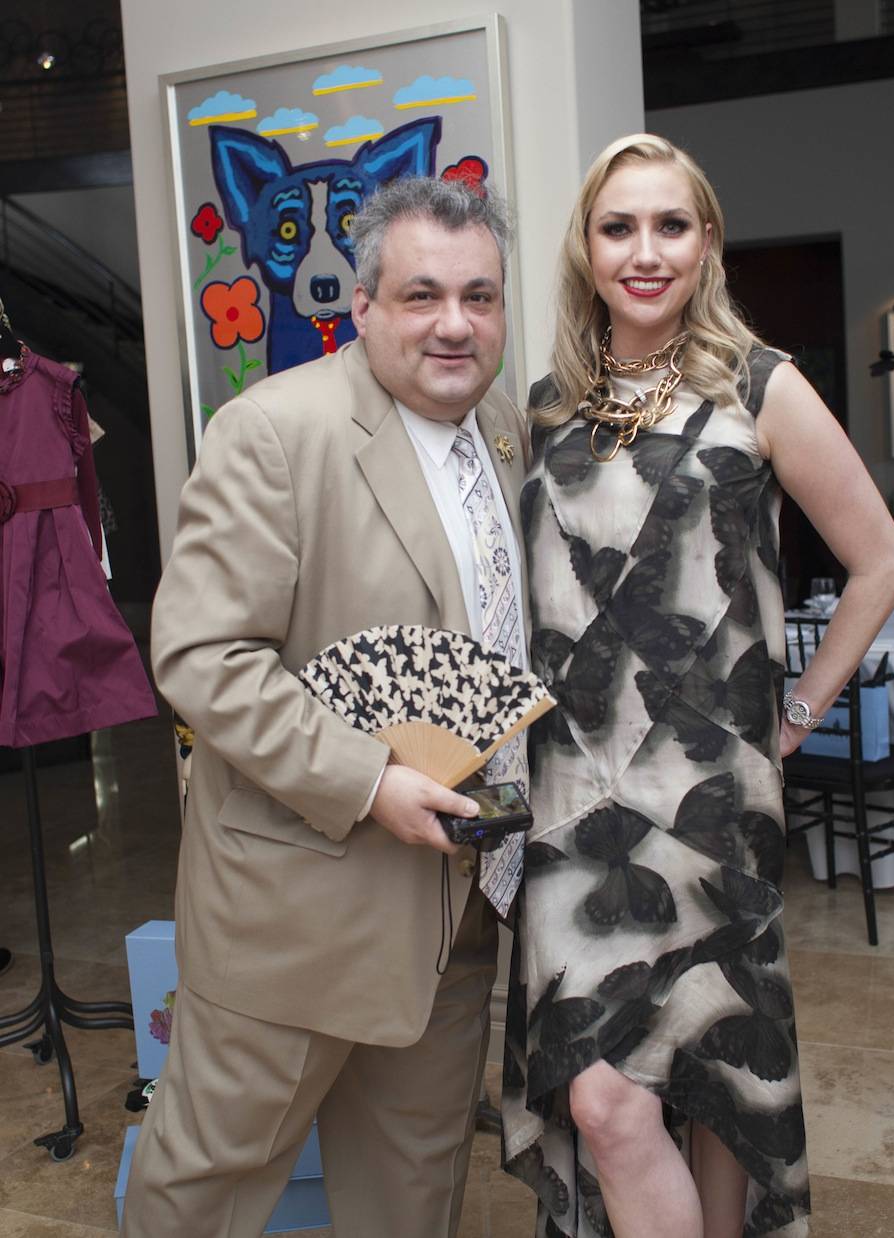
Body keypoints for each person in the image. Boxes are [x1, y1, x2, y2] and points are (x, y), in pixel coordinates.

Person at [501, 134, 894, 1238]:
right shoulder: (545, 408)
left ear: (706, 242)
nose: (645, 251)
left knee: (714, 1066)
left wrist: (796, 714)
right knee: (605, 1100)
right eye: (618, 227)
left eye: (669, 225)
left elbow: (880, 562)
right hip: (572, 805)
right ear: (586, 250)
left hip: (711, 795)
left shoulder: (758, 385)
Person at [122, 177, 530, 1238]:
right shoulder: (274, 430)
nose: (454, 324)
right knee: (204, 1189)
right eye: (422, 295)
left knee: (414, 1195)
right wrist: (369, 779)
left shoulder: (503, 430)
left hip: (455, 906)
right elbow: (202, 655)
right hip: (296, 913)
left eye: (480, 296)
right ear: (363, 306)